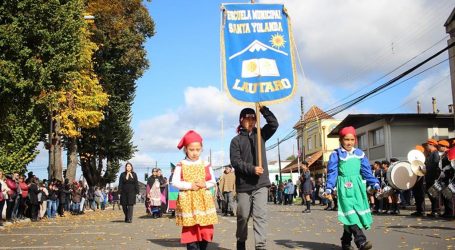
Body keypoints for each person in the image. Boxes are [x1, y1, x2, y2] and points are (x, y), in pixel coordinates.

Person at [230, 105, 278, 250]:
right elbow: (236, 162)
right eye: (247, 118)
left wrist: (264, 110)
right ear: (241, 120)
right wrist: (252, 169)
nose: (251, 121)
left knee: (260, 216)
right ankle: (241, 241)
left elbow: (274, 124)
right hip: (244, 186)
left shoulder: (261, 134)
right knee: (243, 216)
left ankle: (260, 246)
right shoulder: (236, 141)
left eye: (253, 118)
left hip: (261, 184)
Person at [325, 126, 379, 250]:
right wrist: (329, 188)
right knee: (351, 214)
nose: (349, 142)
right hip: (344, 187)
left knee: (354, 214)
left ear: (355, 140)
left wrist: (374, 183)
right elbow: (332, 173)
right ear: (341, 140)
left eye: (352, 139)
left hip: (358, 187)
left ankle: (345, 242)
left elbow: (366, 172)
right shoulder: (336, 154)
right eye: (346, 139)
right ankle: (361, 241)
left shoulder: (360, 154)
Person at [172, 130, 218, 250]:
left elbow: (213, 181)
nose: (195, 153)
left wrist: (205, 184)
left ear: (201, 149)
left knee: (205, 228)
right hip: (188, 201)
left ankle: (203, 246)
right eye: (191, 150)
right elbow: (175, 182)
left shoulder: (205, 164)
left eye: (197, 150)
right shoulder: (181, 164)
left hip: (204, 201)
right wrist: (189, 186)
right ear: (185, 149)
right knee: (191, 229)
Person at [425, 139, 441, 217]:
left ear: (432, 145)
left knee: (434, 194)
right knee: (430, 194)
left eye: (428, 145)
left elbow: (436, 166)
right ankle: (433, 210)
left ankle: (436, 211)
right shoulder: (429, 154)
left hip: (433, 177)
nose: (426, 147)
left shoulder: (435, 154)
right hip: (429, 177)